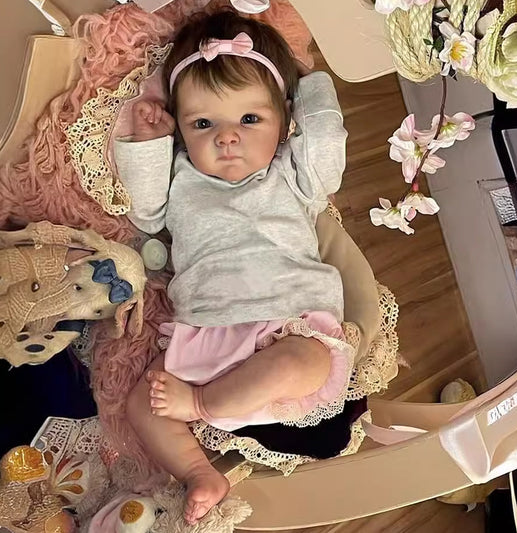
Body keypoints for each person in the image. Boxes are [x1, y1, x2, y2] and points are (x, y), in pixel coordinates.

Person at [117, 10, 353, 525]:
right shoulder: (180, 178)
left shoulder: (294, 176)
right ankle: (199, 471)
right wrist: (148, 141)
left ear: (284, 120)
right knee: (140, 405)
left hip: (287, 323)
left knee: (301, 363)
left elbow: (326, 146)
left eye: (249, 120)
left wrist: (311, 84)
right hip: (208, 333)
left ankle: (204, 405)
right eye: (203, 124)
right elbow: (145, 211)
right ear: (181, 130)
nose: (226, 138)